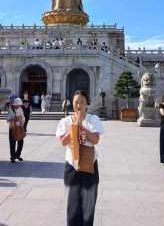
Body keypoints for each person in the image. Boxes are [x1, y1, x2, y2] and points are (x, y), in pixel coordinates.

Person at [56, 90, 104, 226]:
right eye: (76, 102)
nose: (79, 105)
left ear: (86, 104)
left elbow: (95, 140)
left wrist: (82, 128)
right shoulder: (65, 121)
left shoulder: (93, 119)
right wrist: (74, 127)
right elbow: (63, 142)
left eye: (82, 102)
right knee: (73, 204)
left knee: (88, 203)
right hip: (72, 166)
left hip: (90, 165)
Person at [7, 97, 25, 163]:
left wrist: (21, 121)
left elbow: (23, 117)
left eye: (20, 105)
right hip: (13, 128)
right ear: (15, 105)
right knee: (12, 143)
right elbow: (8, 119)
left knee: (21, 142)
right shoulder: (11, 109)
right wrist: (16, 118)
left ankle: (17, 155)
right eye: (18, 105)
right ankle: (12, 157)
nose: (19, 106)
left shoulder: (20, 109)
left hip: (20, 128)